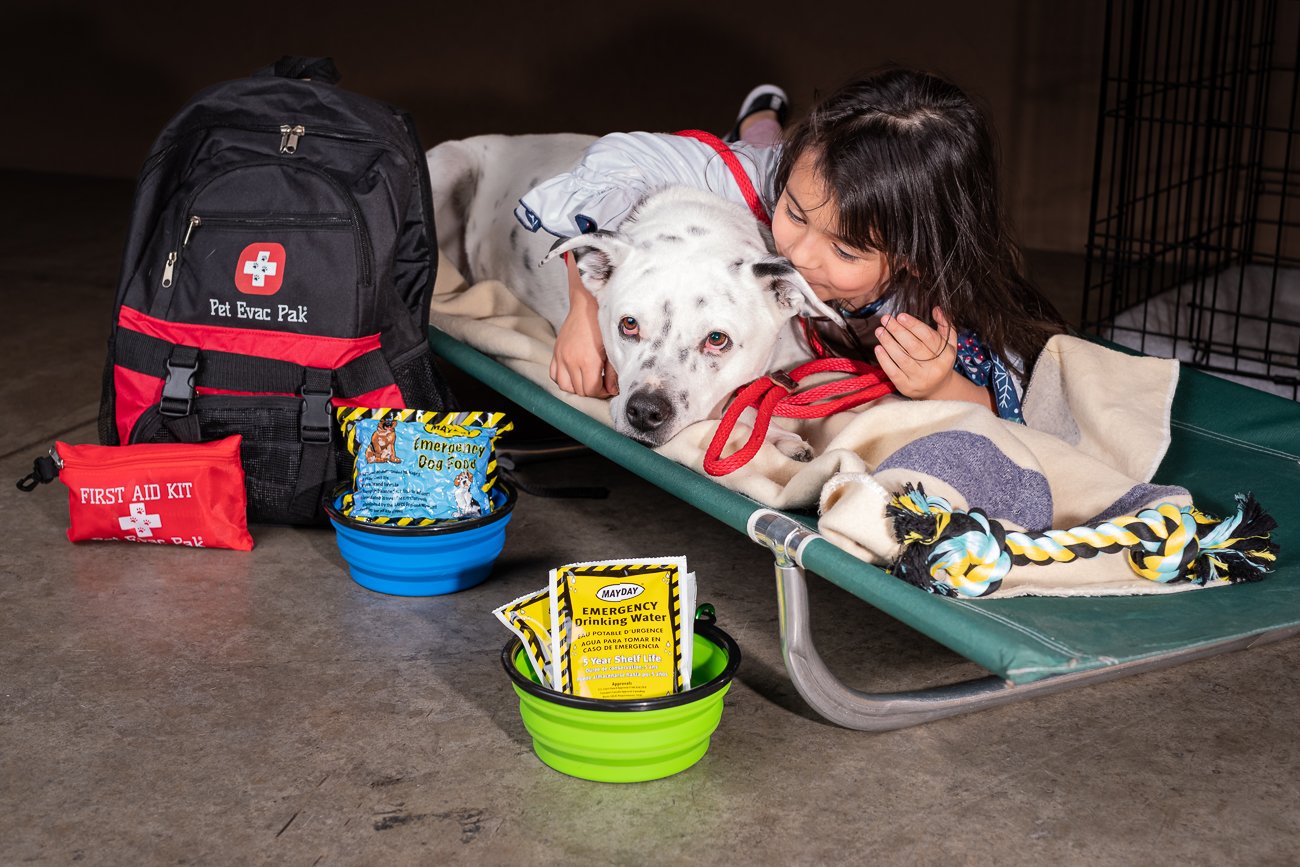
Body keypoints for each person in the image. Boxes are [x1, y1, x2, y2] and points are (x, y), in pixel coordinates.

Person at [514, 67, 1067, 422]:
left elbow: (1014, 405)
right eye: (796, 216)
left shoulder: (939, 296)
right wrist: (588, 308)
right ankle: (761, 127)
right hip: (762, 162)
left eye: (846, 252)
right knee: (758, 156)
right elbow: (615, 161)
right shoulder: (761, 181)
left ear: (914, 258)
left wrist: (942, 381)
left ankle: (761, 121)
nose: (798, 256)